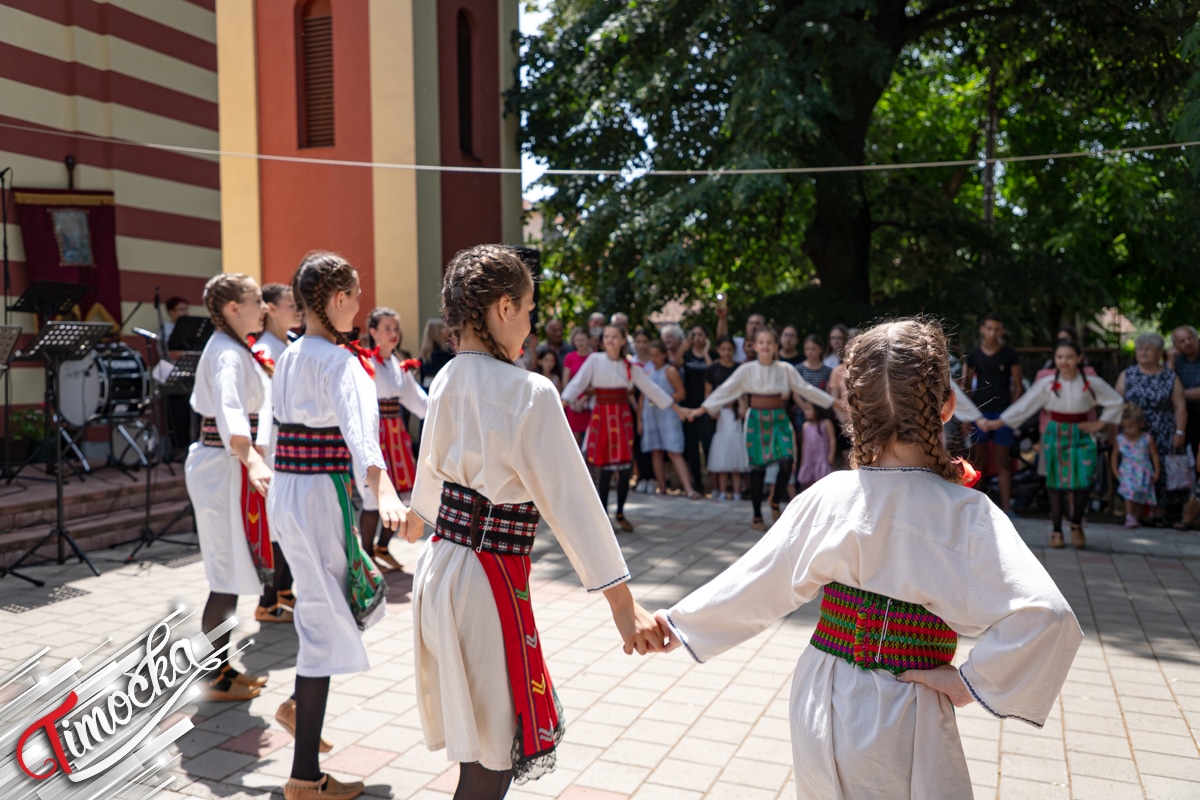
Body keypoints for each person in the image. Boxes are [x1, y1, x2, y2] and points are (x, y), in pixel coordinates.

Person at [656, 318, 1083, 800]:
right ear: (946, 406)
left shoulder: (833, 495)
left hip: (819, 691)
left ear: (852, 409)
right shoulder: (966, 513)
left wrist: (675, 624)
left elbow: (759, 581)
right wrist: (969, 682)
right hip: (907, 702)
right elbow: (1048, 614)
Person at [409, 245, 662, 799]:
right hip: (484, 581)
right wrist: (624, 605)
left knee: (479, 745)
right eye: (526, 308)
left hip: (441, 567)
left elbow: (431, 465)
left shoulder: (449, 375)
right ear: (502, 308)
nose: (529, 321)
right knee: (492, 756)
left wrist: (413, 516)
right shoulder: (529, 391)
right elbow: (572, 501)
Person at [268, 252, 411, 800]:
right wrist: (387, 492)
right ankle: (305, 777)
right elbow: (361, 436)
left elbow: (275, 427)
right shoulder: (341, 362)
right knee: (328, 614)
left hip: (289, 491)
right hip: (321, 494)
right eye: (353, 295)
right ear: (335, 300)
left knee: (322, 606)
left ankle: (301, 708)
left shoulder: (289, 355)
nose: (359, 304)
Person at [185, 274, 274, 701]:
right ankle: (212, 676)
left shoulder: (237, 348)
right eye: (257, 300)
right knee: (225, 572)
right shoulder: (225, 353)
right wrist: (253, 457)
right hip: (224, 463)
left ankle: (222, 667)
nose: (265, 307)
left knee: (234, 570)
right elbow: (230, 409)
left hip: (232, 461)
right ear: (233, 309)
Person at [980, 340, 1123, 548]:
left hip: (1081, 434)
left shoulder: (1090, 381)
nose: (1064, 361)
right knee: (1055, 483)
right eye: (1060, 357)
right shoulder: (1047, 384)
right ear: (1055, 359)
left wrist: (1099, 423)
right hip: (1055, 433)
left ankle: (1076, 524)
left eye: (1069, 357)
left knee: (1083, 481)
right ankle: (1056, 530)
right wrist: (999, 422)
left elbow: (1115, 401)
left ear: (1079, 358)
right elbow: (1025, 405)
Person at [689, 328, 833, 530]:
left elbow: (805, 388)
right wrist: (703, 408)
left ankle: (774, 501)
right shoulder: (746, 369)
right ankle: (757, 514)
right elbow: (726, 389)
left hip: (778, 418)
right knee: (757, 469)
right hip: (756, 418)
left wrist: (832, 402)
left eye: (769, 342)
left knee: (787, 460)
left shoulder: (785, 369)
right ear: (755, 346)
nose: (765, 346)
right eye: (761, 342)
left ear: (776, 346)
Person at [562, 325, 688, 532]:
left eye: (614, 337)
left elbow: (651, 389)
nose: (610, 340)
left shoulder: (630, 366)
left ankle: (620, 512)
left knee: (624, 467)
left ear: (622, 341)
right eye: (607, 336)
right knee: (602, 469)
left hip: (621, 418)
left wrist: (676, 409)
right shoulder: (595, 360)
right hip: (602, 417)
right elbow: (577, 384)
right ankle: (601, 517)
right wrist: (562, 403)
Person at [359, 307, 428, 572]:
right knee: (372, 498)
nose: (393, 334)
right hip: (373, 434)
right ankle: (365, 556)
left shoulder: (399, 367)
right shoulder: (365, 363)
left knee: (403, 495)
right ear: (373, 332)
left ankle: (382, 547)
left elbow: (420, 401)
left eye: (395, 328)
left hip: (396, 436)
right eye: (386, 328)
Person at [251, 282, 304, 624]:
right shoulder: (263, 349)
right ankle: (266, 600)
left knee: (288, 523)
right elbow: (263, 407)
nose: (298, 310)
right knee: (273, 525)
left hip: (294, 442)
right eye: (290, 305)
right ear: (269, 308)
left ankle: (284, 589)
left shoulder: (294, 344)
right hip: (272, 445)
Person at [1115, 332, 1186, 524]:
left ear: (1158, 353)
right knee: (1133, 471)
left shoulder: (1169, 377)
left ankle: (1158, 513)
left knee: (1158, 472)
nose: (1142, 352)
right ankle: (1134, 513)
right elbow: (1115, 403)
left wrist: (1180, 431)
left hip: (1162, 431)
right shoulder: (1127, 374)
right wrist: (1113, 431)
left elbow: (1180, 406)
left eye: (1148, 349)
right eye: (1140, 349)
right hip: (1132, 434)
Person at [962, 313, 1023, 516]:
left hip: (1003, 414)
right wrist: (968, 416)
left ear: (1002, 331)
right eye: (989, 328)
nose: (992, 332)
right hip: (980, 413)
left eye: (997, 329)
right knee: (977, 460)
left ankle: (1007, 506)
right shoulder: (974, 355)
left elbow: (1018, 386)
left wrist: (1012, 414)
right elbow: (965, 388)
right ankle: (974, 505)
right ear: (982, 329)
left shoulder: (1009, 355)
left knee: (1003, 460)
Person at [639, 341, 701, 499]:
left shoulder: (670, 371)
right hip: (651, 413)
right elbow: (642, 397)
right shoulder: (646, 372)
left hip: (669, 413)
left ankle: (688, 489)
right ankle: (662, 488)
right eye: (651, 355)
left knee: (674, 451)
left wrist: (662, 398)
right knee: (656, 451)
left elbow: (681, 394)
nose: (654, 358)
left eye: (657, 355)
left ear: (664, 355)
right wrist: (640, 419)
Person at [705, 337, 748, 500]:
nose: (727, 353)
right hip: (720, 416)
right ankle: (722, 491)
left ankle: (737, 492)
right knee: (721, 460)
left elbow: (743, 392)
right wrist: (714, 408)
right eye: (723, 349)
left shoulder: (739, 368)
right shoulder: (713, 369)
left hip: (736, 415)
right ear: (718, 350)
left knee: (736, 462)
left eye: (730, 349)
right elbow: (709, 394)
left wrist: (737, 402)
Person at [1111, 403, 1161, 528]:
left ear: (1140, 425)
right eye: (1125, 427)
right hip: (1128, 470)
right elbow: (1114, 455)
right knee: (1129, 493)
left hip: (1143, 471)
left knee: (1141, 496)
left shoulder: (1147, 439)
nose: (1127, 430)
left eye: (1131, 427)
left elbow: (1154, 455)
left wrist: (1157, 471)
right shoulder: (1121, 439)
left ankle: (1136, 518)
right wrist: (1116, 471)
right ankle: (1129, 515)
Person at [682, 324, 716, 494]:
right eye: (693, 334)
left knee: (709, 445)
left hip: (706, 407)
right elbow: (674, 364)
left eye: (701, 334)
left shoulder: (712, 355)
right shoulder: (686, 355)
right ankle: (697, 483)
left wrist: (706, 353)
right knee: (692, 448)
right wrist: (683, 347)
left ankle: (714, 485)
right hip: (688, 407)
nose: (697, 338)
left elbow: (712, 372)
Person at [1170, 325, 1200, 456]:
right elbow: (1167, 387)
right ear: (1175, 345)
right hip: (1181, 414)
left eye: (1190, 338)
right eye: (1182, 341)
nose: (1187, 343)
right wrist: (1170, 361)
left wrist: (1179, 394)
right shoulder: (1176, 359)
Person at [561, 327, 593, 447]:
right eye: (577, 340)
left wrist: (583, 400)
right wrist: (572, 401)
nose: (580, 343)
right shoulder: (569, 357)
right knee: (574, 439)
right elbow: (566, 382)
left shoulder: (594, 357)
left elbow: (594, 383)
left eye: (583, 340)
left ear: (588, 340)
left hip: (590, 401)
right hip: (572, 402)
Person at [796, 400, 837, 491]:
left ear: (816, 410)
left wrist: (831, 454)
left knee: (823, 479)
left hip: (822, 455)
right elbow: (804, 444)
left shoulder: (826, 423)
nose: (805, 412)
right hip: (809, 456)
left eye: (808, 409)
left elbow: (832, 439)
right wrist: (803, 459)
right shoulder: (805, 425)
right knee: (810, 480)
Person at [419, 318, 454, 391]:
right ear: (439, 333)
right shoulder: (446, 353)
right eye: (445, 328)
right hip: (442, 389)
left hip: (426, 389)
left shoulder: (424, 354)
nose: (448, 331)